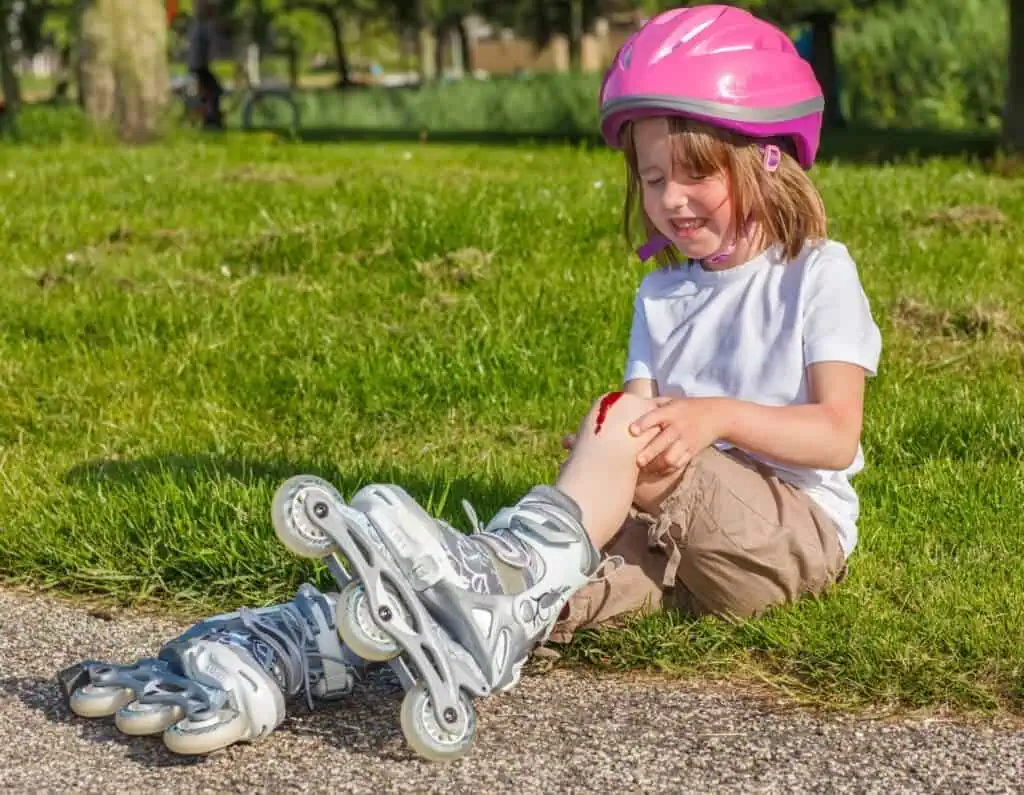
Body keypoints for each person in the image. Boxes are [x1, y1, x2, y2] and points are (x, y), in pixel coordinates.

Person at [58, 3, 881, 761]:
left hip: (788, 540)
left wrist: (705, 419)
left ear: (765, 159)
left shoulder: (816, 273)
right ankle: (302, 641)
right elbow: (643, 429)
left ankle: (494, 583)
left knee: (628, 435)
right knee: (532, 577)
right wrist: (612, 458)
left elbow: (836, 432)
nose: (668, 199)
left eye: (690, 173)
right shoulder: (659, 294)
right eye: (651, 176)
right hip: (673, 541)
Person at [187, 0, 223, 129]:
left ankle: (211, 119)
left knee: (210, 92)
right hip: (199, 66)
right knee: (215, 91)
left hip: (199, 65)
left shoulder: (200, 25)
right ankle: (211, 120)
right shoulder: (203, 26)